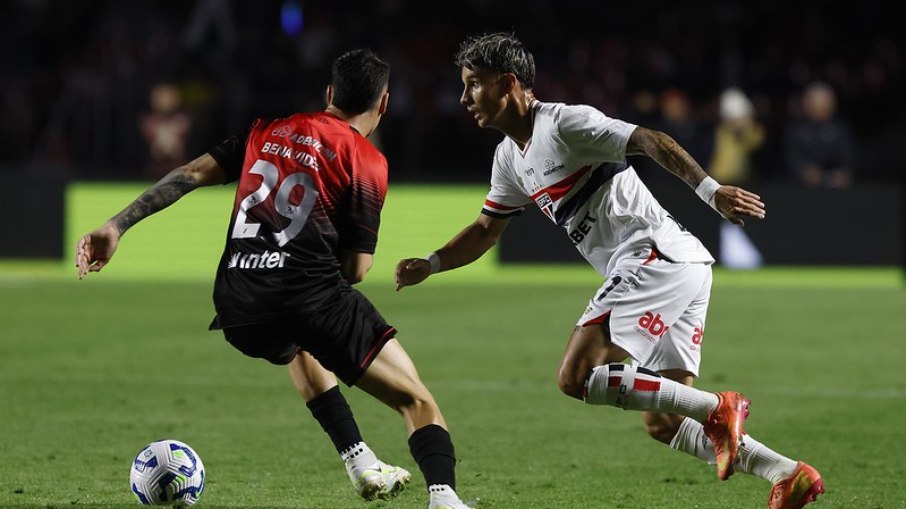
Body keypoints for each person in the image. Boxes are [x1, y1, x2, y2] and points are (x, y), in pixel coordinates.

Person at [395, 32, 824, 509]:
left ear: (508, 83)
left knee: (576, 375)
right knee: (664, 422)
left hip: (653, 255)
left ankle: (718, 407)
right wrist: (431, 263)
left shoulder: (564, 124)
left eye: (474, 84)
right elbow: (484, 230)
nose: (464, 97)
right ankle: (786, 473)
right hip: (681, 265)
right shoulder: (508, 158)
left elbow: (650, 140)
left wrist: (710, 191)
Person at [77, 49, 474, 509]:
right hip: (307, 298)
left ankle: (359, 460)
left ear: (329, 94)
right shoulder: (366, 159)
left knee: (299, 340)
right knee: (416, 401)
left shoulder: (264, 132)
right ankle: (445, 499)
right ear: (383, 104)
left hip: (237, 306)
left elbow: (188, 174)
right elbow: (356, 269)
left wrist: (116, 226)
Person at [784, 81, 856, 189]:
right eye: (813, 103)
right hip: (801, 189)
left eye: (823, 103)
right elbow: (792, 156)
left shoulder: (840, 129)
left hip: (837, 189)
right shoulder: (795, 130)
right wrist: (804, 170)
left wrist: (844, 173)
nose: (818, 108)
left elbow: (848, 155)